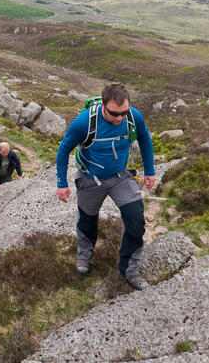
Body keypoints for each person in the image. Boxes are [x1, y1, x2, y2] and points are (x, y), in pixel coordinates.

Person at [55, 82, 156, 290]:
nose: (120, 118)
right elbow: (64, 148)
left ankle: (129, 269)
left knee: (136, 221)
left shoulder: (133, 117)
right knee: (87, 221)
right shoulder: (84, 122)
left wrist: (150, 170)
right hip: (90, 179)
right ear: (103, 106)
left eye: (123, 113)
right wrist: (61, 183)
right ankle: (84, 257)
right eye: (114, 113)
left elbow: (145, 138)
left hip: (121, 177)